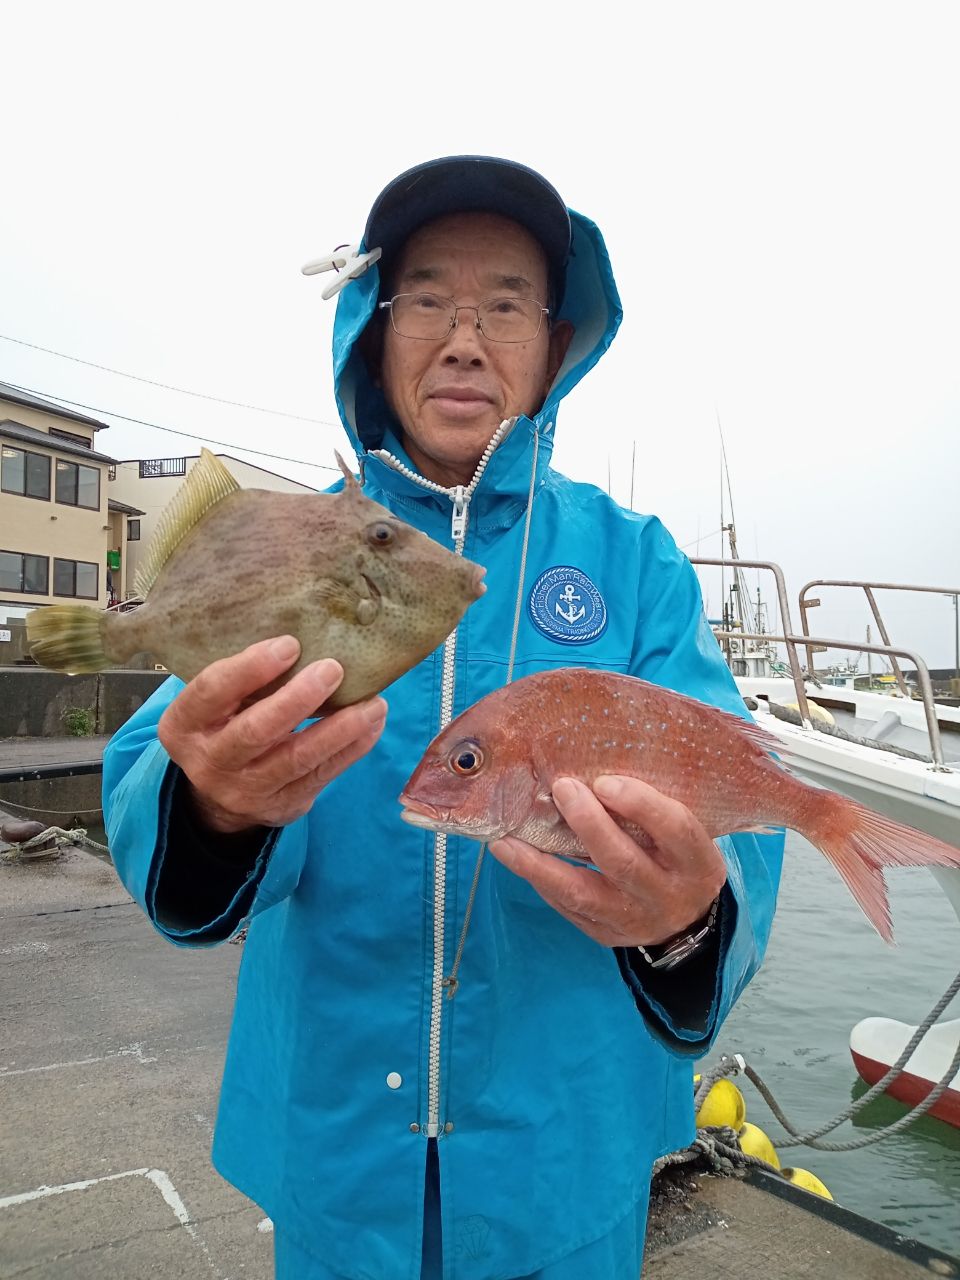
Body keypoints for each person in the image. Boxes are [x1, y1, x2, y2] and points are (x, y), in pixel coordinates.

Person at [103, 155, 785, 1279]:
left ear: (555, 344)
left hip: (565, 1162)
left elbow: (730, 786)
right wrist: (210, 802)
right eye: (426, 299)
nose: (464, 340)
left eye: (505, 305)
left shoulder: (636, 563)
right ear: (374, 330)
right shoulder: (297, 546)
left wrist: (690, 918)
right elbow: (154, 765)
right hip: (335, 1160)